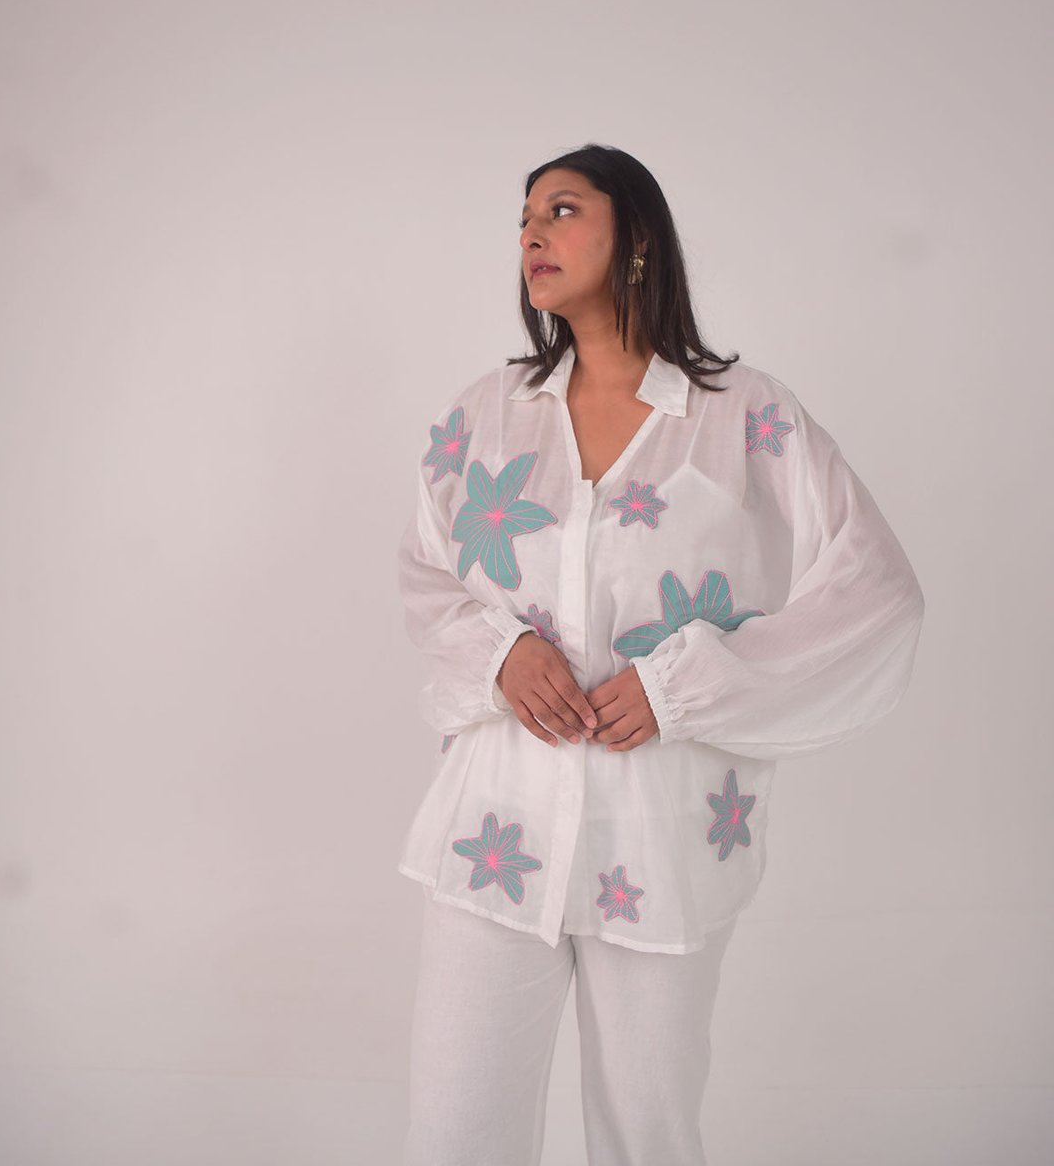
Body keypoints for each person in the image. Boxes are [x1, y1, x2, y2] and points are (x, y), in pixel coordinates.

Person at [395, 143, 925, 1166]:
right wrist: (501, 654)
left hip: (661, 837)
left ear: (635, 236)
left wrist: (685, 687)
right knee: (455, 1130)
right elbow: (426, 572)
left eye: (561, 209)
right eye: (523, 218)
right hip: (494, 830)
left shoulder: (746, 417)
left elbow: (877, 591)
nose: (531, 233)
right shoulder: (486, 415)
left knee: (648, 1135)